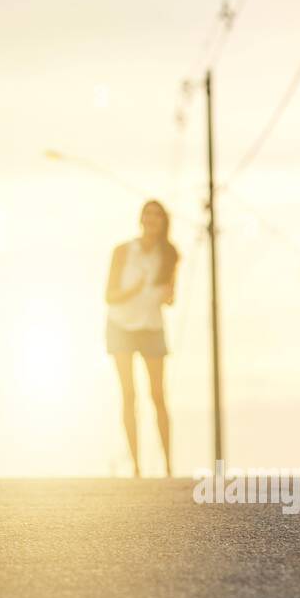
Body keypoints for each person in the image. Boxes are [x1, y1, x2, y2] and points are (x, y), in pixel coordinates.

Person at [105, 200, 180, 478]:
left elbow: (172, 297)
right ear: (140, 219)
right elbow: (109, 296)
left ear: (163, 222)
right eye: (147, 214)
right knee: (129, 394)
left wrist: (168, 294)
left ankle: (169, 465)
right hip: (120, 325)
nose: (151, 219)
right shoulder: (123, 251)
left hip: (151, 326)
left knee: (158, 395)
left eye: (157, 215)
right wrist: (133, 290)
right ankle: (136, 466)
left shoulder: (170, 254)